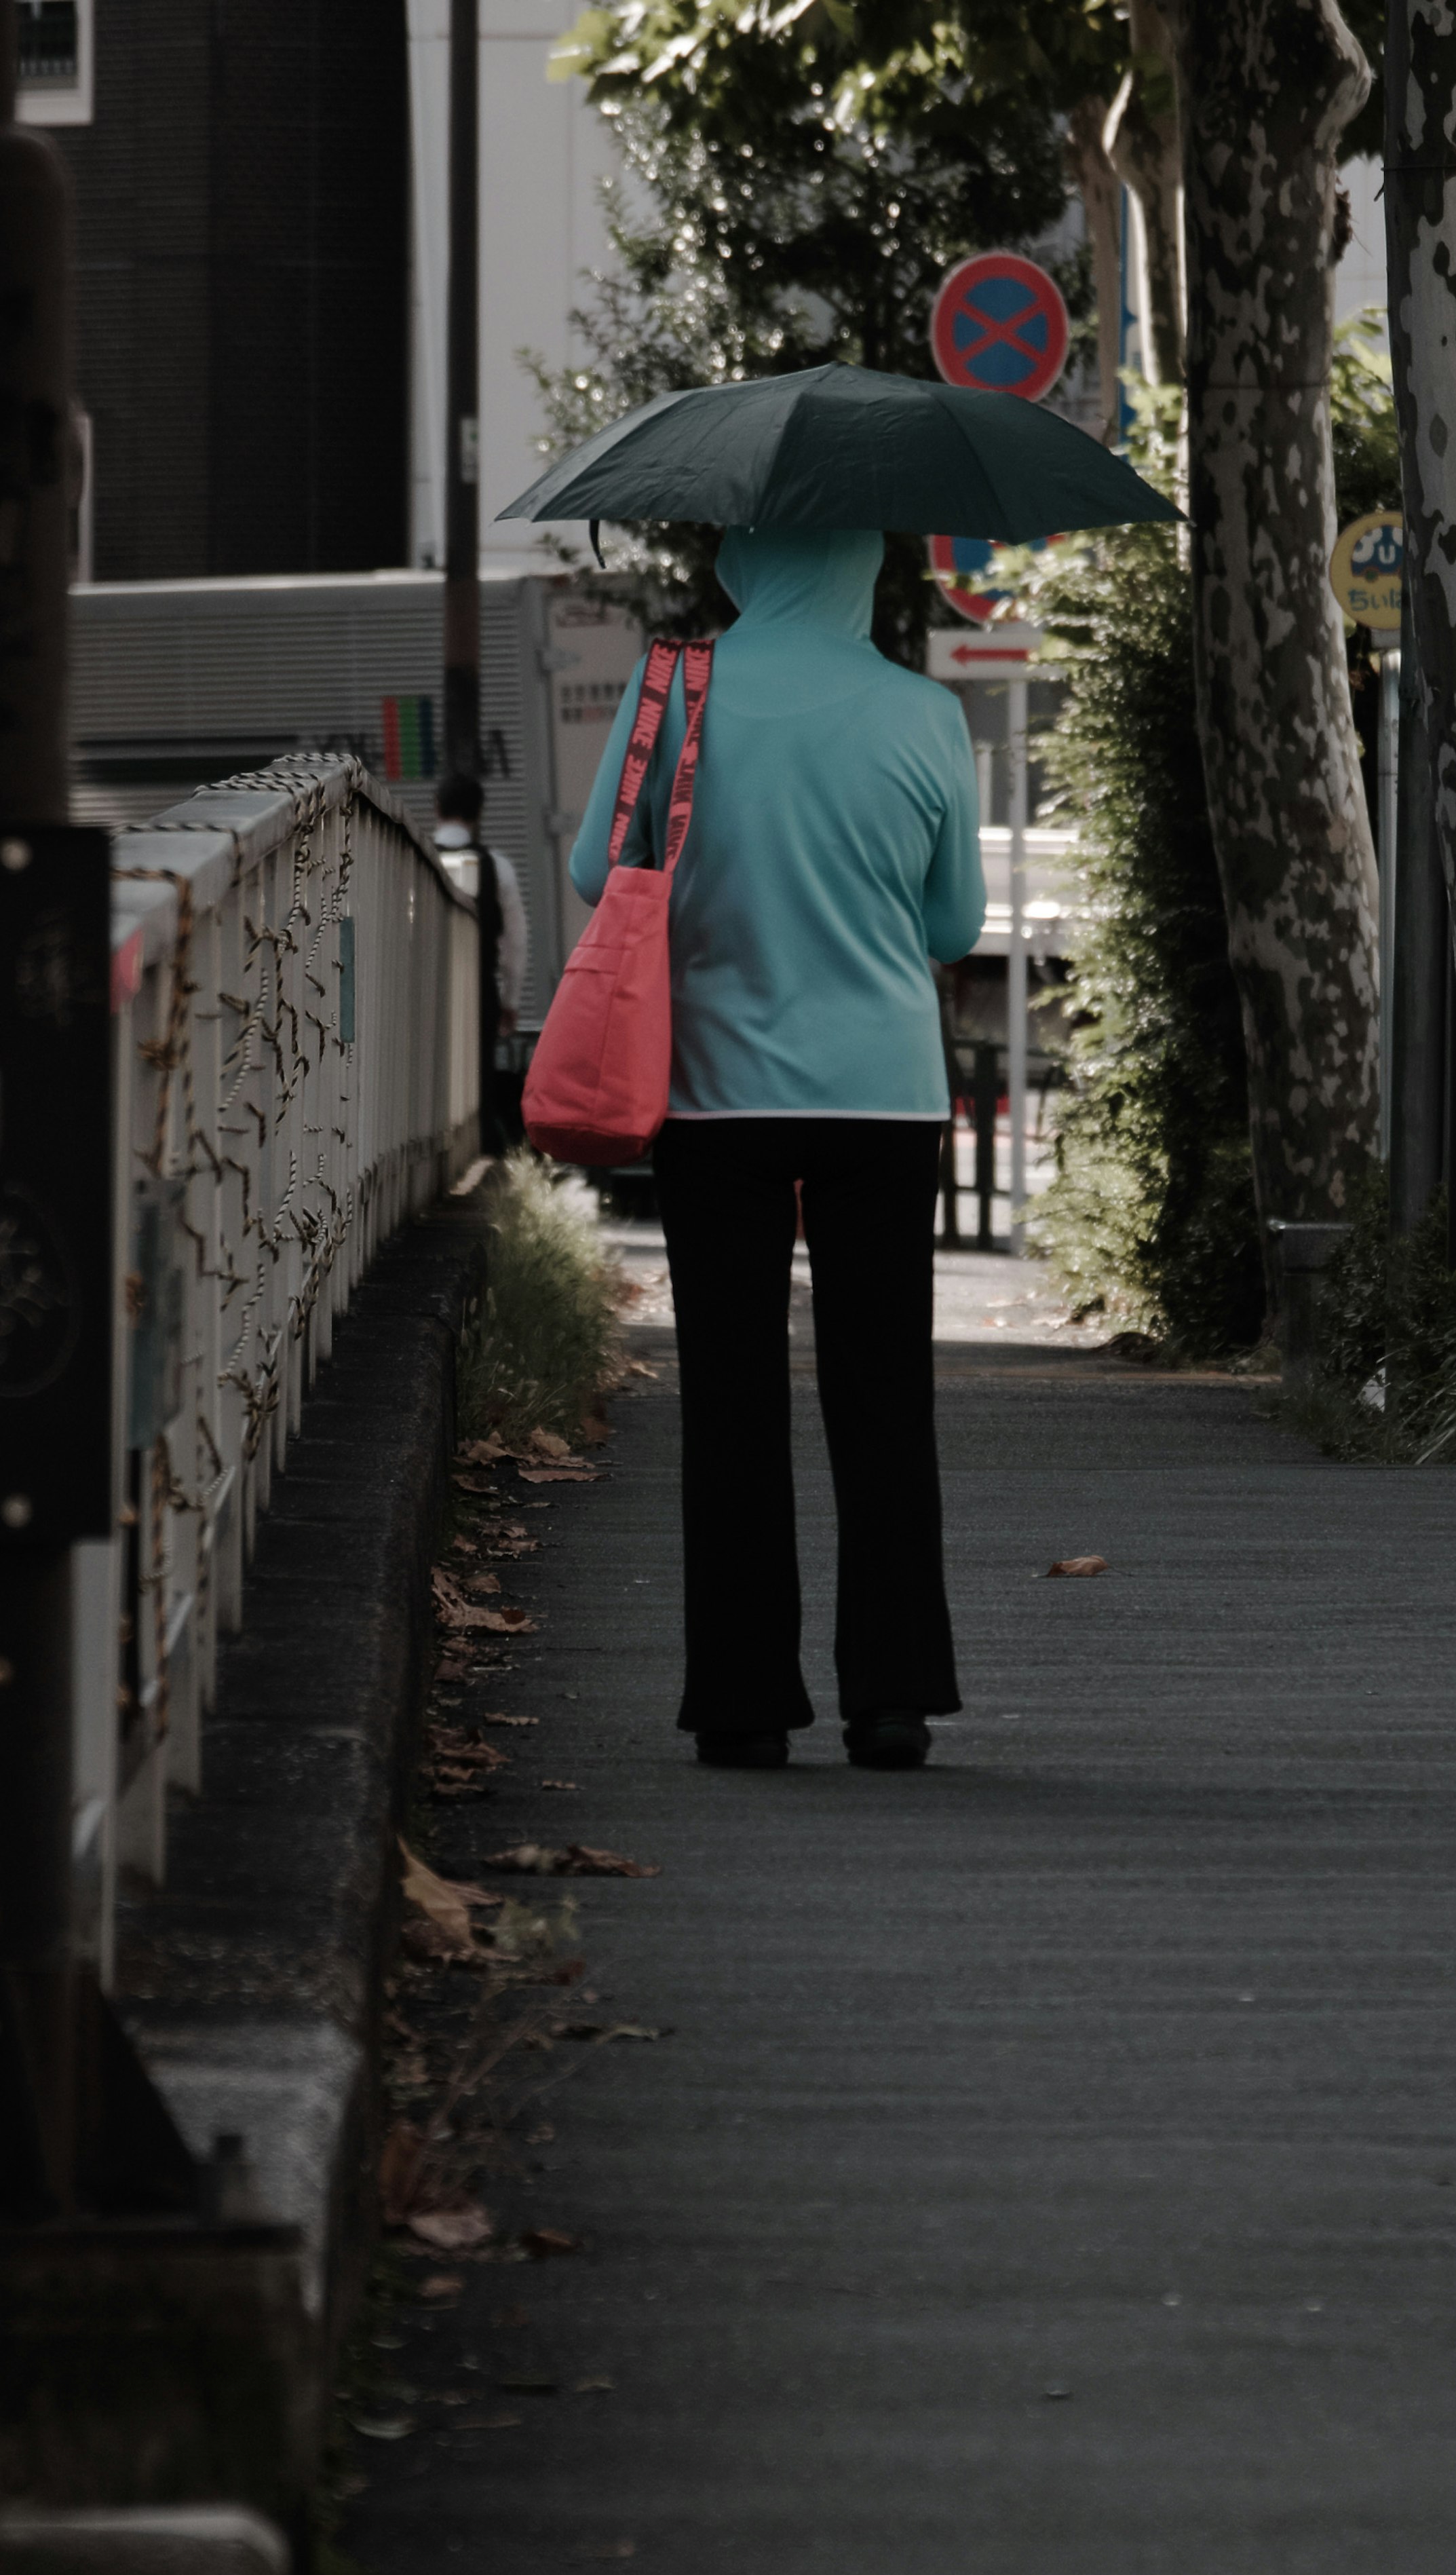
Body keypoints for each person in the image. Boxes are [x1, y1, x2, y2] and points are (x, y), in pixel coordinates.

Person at [566, 525, 985, 1771]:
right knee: (884, 1394)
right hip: (884, 1096)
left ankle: (743, 1701)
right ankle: (893, 1696)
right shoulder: (923, 713)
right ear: (862, 569)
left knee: (732, 1396)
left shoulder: (676, 690)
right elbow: (953, 919)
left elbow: (600, 869)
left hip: (713, 1090)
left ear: (746, 563)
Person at [433, 769, 529, 1150]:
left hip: (428, 989)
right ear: (479, 813)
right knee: (478, 1079)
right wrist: (511, 1000)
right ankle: (480, 1149)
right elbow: (515, 942)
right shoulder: (497, 867)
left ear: (437, 807)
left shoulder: (414, 861)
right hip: (479, 991)